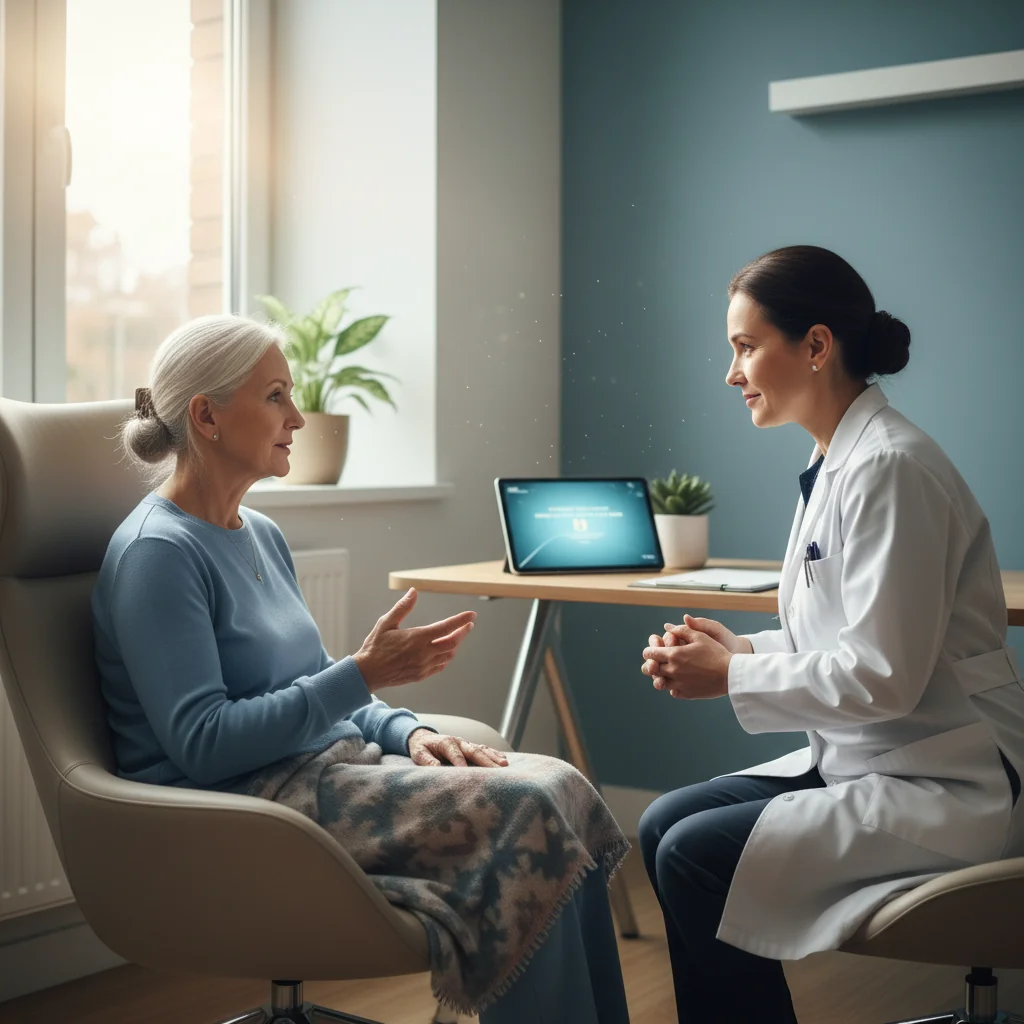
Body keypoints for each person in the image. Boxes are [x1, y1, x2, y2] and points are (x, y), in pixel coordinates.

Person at [92, 314, 630, 1024]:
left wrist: (404, 730)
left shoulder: (261, 532)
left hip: (317, 774)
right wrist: (363, 675)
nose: (298, 418)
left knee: (556, 781)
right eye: (277, 396)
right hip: (243, 811)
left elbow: (318, 682)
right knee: (525, 810)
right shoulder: (157, 554)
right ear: (206, 415)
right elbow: (204, 744)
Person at [637, 245, 1024, 1023]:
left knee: (693, 854)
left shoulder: (890, 468)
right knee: (660, 822)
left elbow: (884, 674)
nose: (731, 371)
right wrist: (739, 652)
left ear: (815, 346)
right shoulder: (836, 460)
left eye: (745, 347)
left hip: (950, 783)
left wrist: (730, 679)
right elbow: (844, 636)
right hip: (875, 758)